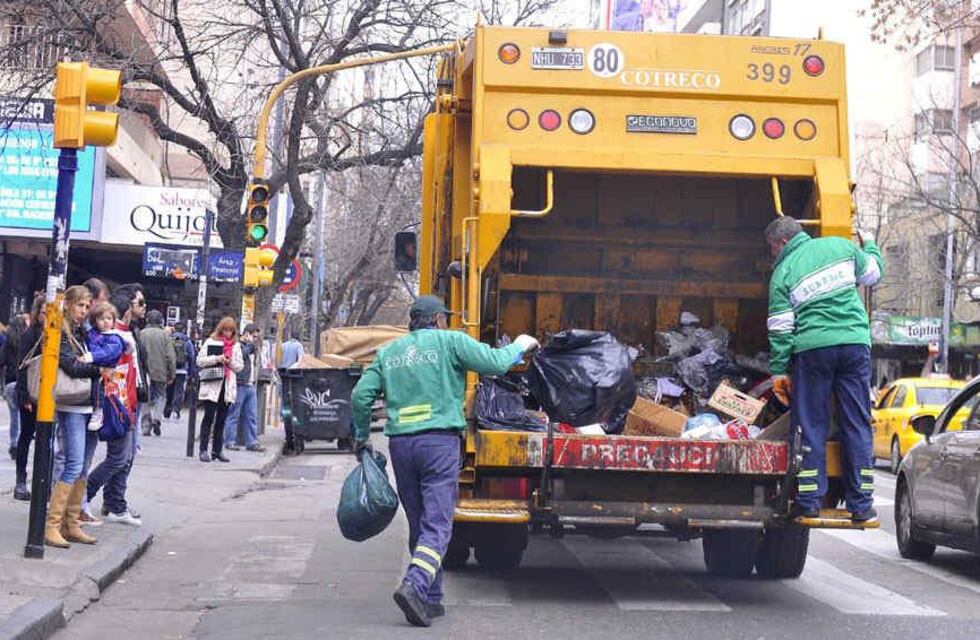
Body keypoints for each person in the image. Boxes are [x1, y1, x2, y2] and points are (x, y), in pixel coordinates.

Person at [350, 295, 540, 627]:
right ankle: (415, 584)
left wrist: (362, 436)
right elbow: (495, 364)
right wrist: (521, 345)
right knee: (438, 524)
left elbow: (360, 396)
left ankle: (431, 598)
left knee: (420, 520)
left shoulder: (389, 353)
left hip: (402, 445)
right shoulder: (450, 341)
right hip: (438, 444)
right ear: (438, 319)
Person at [765, 216, 884, 524]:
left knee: (811, 425)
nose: (772, 255)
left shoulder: (783, 272)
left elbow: (780, 328)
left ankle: (809, 502)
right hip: (855, 345)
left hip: (814, 350)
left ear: (784, 243)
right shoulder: (840, 246)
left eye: (772, 248)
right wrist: (869, 243)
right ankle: (862, 505)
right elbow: (873, 273)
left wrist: (779, 371)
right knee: (856, 423)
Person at [46, 285, 105, 548]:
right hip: (71, 405)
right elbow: (70, 365)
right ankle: (53, 524)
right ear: (69, 304)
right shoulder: (61, 330)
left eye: (86, 306)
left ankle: (71, 523)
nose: (84, 310)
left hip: (84, 405)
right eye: (80, 305)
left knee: (80, 465)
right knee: (72, 463)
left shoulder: (81, 332)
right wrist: (97, 369)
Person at [87, 285, 146, 527]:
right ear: (129, 308)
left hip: (126, 400)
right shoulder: (116, 336)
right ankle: (88, 496)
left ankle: (114, 502)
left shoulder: (124, 334)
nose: (143, 307)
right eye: (140, 303)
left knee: (125, 457)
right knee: (119, 457)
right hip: (119, 401)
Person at [196, 317, 243, 463]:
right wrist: (217, 358)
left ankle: (217, 450)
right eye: (225, 330)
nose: (228, 333)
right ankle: (203, 450)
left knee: (221, 420)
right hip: (212, 384)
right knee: (208, 417)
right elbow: (200, 360)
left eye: (230, 331)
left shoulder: (236, 346)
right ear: (221, 329)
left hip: (227, 386)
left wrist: (230, 362)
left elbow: (240, 366)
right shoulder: (211, 342)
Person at [12, 297, 44, 501]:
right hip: (30, 395)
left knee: (45, 440)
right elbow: (21, 366)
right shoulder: (30, 335)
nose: (48, 316)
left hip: (48, 394)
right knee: (26, 436)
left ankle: (42, 482)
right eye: (44, 312)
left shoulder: (57, 335)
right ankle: (21, 481)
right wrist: (24, 397)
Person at [224, 323, 264, 452]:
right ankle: (229, 440)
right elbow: (241, 355)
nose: (255, 339)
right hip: (240, 384)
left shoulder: (251, 347)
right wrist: (251, 345)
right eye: (254, 336)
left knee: (251, 415)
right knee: (234, 414)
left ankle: (251, 442)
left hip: (250, 384)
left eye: (257, 337)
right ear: (246, 334)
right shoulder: (238, 345)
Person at [139, 310, 175, 436]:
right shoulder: (165, 336)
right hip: (160, 370)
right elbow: (170, 356)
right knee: (161, 396)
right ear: (161, 321)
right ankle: (157, 419)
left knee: (145, 399)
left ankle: (146, 425)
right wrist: (171, 373)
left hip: (143, 371)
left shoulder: (141, 334)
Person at [2, 315, 28, 459]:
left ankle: (14, 443)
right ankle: (21, 442)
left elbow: (1, 360)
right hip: (22, 381)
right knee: (23, 416)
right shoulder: (26, 341)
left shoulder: (7, 342)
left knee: (14, 415)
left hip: (10, 382)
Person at [165, 321, 196, 420]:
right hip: (182, 370)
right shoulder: (187, 341)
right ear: (184, 330)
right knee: (179, 391)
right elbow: (191, 357)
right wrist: (191, 372)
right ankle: (175, 411)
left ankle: (167, 410)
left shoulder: (169, 339)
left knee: (169, 390)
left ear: (174, 328)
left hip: (170, 369)